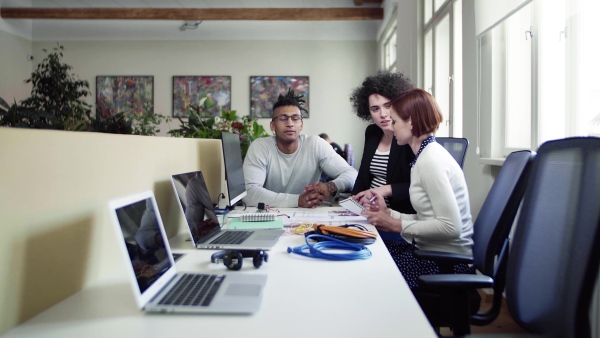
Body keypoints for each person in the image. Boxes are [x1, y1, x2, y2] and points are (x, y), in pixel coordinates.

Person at [353, 88, 474, 290]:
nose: (391, 126)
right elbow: (428, 219)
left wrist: (394, 225)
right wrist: (388, 213)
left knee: (369, 273)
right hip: (431, 252)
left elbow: (450, 227)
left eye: (395, 121)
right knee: (367, 258)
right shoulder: (424, 156)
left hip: (445, 262)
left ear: (410, 121)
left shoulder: (430, 161)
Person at [243, 89, 358, 208]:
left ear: (301, 125)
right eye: (283, 118)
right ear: (273, 125)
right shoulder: (260, 147)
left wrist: (331, 187)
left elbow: (352, 174)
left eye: (295, 118)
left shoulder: (315, 144)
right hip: (269, 216)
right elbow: (249, 192)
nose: (290, 123)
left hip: (307, 217)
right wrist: (298, 200)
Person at [349, 71, 416, 214]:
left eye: (388, 105)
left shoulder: (410, 136)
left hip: (397, 215)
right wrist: (354, 200)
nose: (383, 114)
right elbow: (363, 176)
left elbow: (418, 188)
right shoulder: (372, 132)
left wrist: (382, 190)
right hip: (367, 212)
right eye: (375, 109)